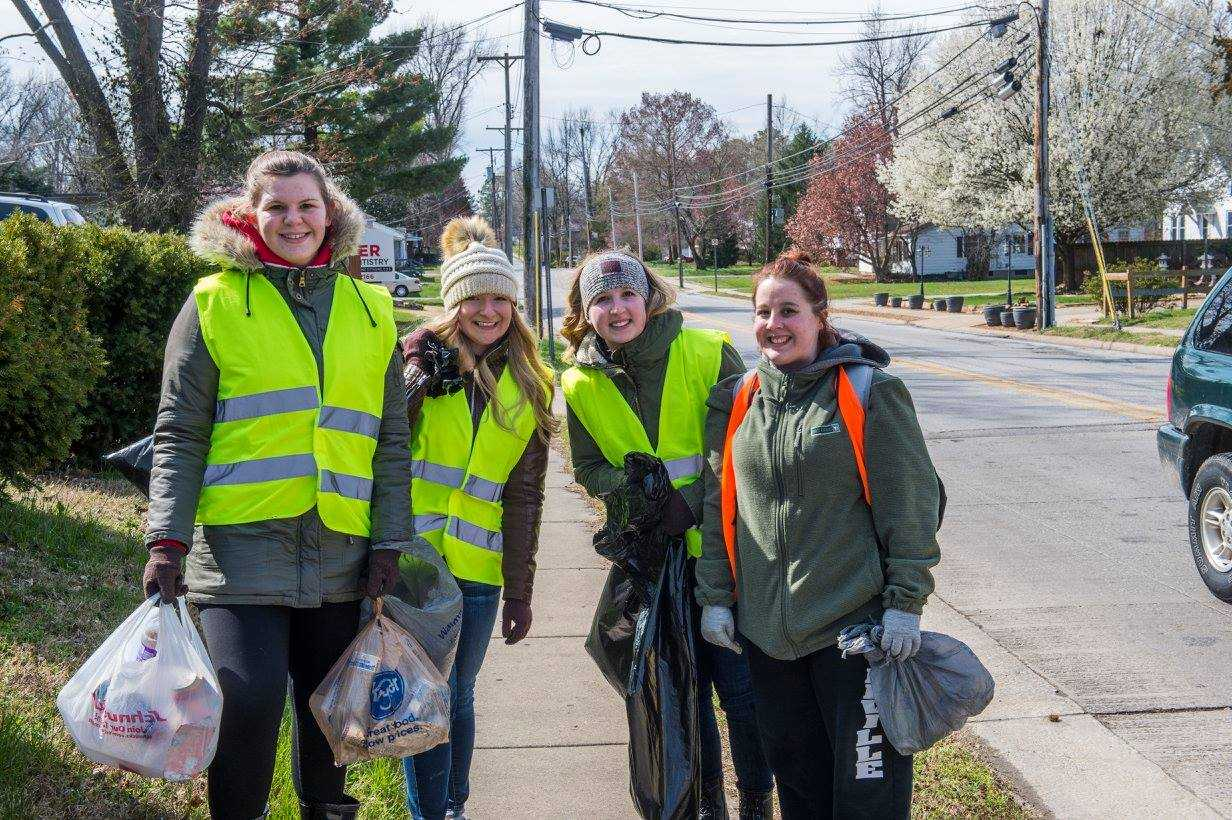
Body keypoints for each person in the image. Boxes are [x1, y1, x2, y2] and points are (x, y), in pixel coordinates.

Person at [142, 149, 413, 820]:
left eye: (306, 206)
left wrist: (388, 541)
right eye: (278, 208)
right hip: (239, 548)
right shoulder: (214, 302)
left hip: (340, 549)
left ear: (331, 215)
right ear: (251, 215)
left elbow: (391, 444)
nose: (293, 220)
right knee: (249, 696)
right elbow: (179, 432)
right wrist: (166, 540)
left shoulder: (374, 308)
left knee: (332, 712)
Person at [696, 250, 942, 819]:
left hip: (853, 633)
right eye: (763, 312)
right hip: (766, 637)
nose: (774, 324)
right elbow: (721, 509)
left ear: (818, 315)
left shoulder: (868, 392)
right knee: (801, 794)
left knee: (866, 801)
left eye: (789, 310)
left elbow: (909, 505)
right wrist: (715, 599)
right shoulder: (738, 400)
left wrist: (905, 605)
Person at [561, 250, 774, 819]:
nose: (617, 309)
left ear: (649, 296)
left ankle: (756, 798)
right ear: (586, 312)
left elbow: (747, 447)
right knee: (682, 692)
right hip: (654, 562)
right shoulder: (580, 381)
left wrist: (693, 503)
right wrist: (642, 492)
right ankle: (705, 802)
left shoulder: (705, 350)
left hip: (725, 554)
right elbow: (588, 469)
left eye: (626, 294)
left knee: (740, 689)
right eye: (601, 300)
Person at [400, 216, 555, 820]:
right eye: (473, 298)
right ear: (454, 301)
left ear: (513, 306)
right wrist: (415, 380)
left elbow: (524, 499)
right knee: (426, 694)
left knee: (456, 695)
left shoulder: (530, 382)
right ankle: (428, 811)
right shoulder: (420, 359)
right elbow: (381, 448)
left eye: (500, 299)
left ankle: (452, 806)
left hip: (480, 569)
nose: (487, 311)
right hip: (415, 562)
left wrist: (520, 590)